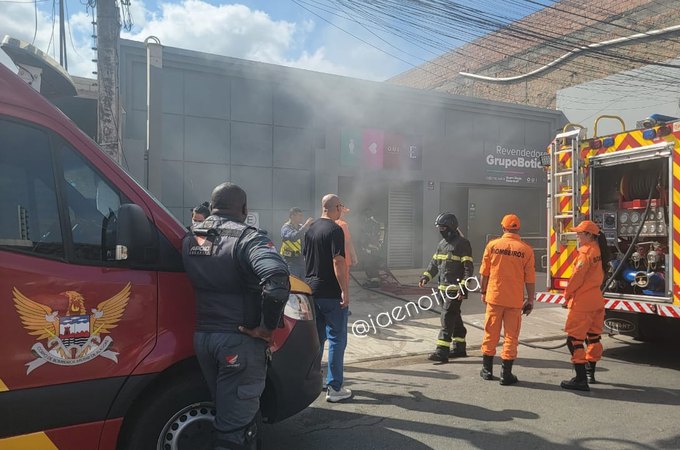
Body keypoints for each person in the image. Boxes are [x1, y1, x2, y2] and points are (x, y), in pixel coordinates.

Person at [182, 182, 290, 449]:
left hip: (203, 339)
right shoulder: (248, 238)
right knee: (235, 429)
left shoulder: (189, 236)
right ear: (244, 208)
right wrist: (266, 328)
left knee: (226, 411)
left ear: (212, 205)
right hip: (238, 343)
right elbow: (277, 282)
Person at [304, 194, 352, 402]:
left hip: (312, 291)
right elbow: (338, 262)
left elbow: (306, 257)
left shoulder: (311, 229)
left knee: (318, 338)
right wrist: (344, 290)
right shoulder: (335, 230)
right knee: (337, 339)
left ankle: (317, 380)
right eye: (340, 206)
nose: (342, 210)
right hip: (331, 293)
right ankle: (335, 388)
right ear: (334, 207)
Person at [479, 214, 536, 385]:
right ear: (518, 228)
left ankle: (487, 370)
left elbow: (484, 273)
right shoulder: (526, 250)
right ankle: (506, 374)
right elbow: (530, 279)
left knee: (491, 333)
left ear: (503, 228)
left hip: (494, 297)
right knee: (511, 336)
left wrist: (483, 291)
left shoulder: (492, 245)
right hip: (514, 300)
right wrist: (530, 300)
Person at [560, 220, 610, 391]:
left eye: (580, 233)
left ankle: (580, 379)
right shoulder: (599, 251)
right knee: (594, 338)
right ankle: (590, 374)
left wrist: (566, 295)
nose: (577, 236)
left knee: (574, 340)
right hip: (596, 299)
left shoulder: (586, 253)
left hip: (583, 302)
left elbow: (576, 278)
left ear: (589, 235)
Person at [419, 212, 473, 362]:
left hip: (455, 291)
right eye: (439, 228)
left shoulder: (462, 244)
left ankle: (442, 351)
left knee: (447, 316)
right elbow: (434, 264)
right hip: (442, 290)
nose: (440, 231)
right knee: (454, 317)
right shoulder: (442, 245)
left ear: (450, 227)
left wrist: (464, 287)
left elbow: (468, 268)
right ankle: (459, 347)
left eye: (442, 227)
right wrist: (426, 276)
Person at [280, 207, 313, 279]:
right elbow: (294, 237)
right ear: (292, 216)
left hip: (302, 261)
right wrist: (305, 226)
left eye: (301, 215)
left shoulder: (300, 227)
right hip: (291, 262)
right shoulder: (286, 228)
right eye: (299, 215)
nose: (301, 217)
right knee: (294, 285)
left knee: (304, 285)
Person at [359, 208, 384, 288]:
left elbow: (375, 237)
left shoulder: (375, 224)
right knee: (368, 264)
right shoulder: (370, 223)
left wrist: (371, 246)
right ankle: (372, 280)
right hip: (369, 248)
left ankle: (375, 282)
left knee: (370, 264)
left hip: (373, 249)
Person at [335, 206, 359, 288]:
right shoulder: (343, 224)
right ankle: (343, 298)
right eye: (344, 213)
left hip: (334, 259)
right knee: (344, 282)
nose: (345, 215)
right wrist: (354, 256)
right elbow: (347, 242)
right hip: (344, 258)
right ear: (339, 213)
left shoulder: (331, 223)